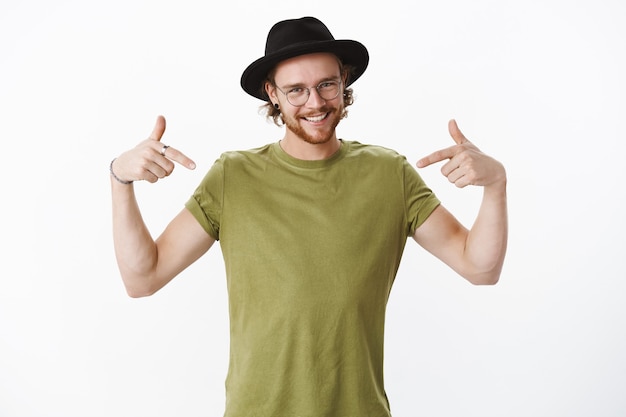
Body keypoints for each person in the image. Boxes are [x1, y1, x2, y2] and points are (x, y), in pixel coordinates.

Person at [110, 16, 507, 417]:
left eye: (326, 85)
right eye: (296, 90)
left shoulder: (389, 174)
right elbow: (143, 278)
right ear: (273, 94)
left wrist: (496, 185)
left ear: (344, 81)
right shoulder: (233, 177)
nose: (315, 103)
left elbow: (479, 267)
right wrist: (120, 180)